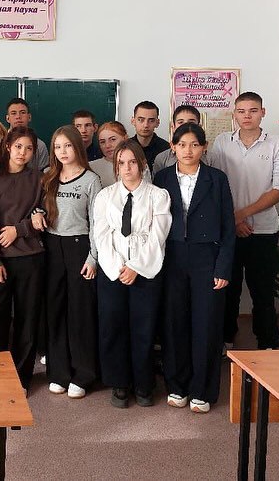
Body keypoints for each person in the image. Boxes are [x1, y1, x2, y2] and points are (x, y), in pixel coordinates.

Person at [154, 123, 235, 413]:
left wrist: (223, 268)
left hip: (207, 259)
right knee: (174, 323)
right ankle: (177, 386)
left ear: (204, 147)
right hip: (171, 257)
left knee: (207, 324)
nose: (188, 150)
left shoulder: (217, 178)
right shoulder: (162, 178)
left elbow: (228, 227)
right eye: (182, 144)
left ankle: (202, 390)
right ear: (172, 147)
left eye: (194, 144)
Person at [207, 92, 279, 351]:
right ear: (234, 114)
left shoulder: (277, 144)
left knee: (262, 292)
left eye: (253, 110)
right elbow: (214, 184)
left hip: (263, 230)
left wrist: (240, 215)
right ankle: (226, 340)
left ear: (263, 113)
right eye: (241, 111)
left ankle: (267, 344)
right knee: (227, 289)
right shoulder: (222, 142)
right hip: (228, 231)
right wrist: (232, 220)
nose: (247, 116)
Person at [93, 139, 171, 408]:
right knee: (113, 327)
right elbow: (102, 236)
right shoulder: (105, 197)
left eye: (132, 162)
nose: (127, 168)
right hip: (113, 271)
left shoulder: (158, 196)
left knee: (143, 328)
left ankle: (144, 384)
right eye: (121, 163)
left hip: (145, 270)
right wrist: (119, 268)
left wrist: (136, 267)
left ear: (142, 164)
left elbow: (158, 237)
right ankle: (119, 383)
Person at [0, 126, 45, 392]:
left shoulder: (38, 179)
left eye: (29, 149)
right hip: (0, 261)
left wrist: (20, 229)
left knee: (27, 320)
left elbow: (45, 216)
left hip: (31, 258)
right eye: (18, 147)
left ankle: (21, 378)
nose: (22, 153)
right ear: (7, 147)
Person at [38, 126, 101, 399]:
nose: (62, 152)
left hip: (79, 247)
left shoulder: (91, 179)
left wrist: (93, 257)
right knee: (55, 310)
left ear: (78, 147)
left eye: (67, 146)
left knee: (80, 312)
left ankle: (83, 374)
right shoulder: (47, 176)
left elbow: (97, 223)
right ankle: (59, 372)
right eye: (58, 147)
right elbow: (36, 208)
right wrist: (36, 213)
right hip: (52, 246)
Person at [151, 105, 206, 175]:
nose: (185, 126)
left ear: (199, 126)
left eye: (191, 122)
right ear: (173, 127)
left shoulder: (211, 158)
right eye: (180, 122)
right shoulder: (162, 158)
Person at [6, 98, 49, 171]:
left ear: (29, 117)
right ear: (7, 118)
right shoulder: (0, 143)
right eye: (13, 113)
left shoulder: (40, 146)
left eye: (22, 112)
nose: (18, 117)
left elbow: (44, 173)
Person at [130, 101, 171, 174]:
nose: (146, 125)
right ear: (133, 121)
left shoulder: (166, 149)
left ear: (157, 123)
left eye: (151, 120)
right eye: (141, 120)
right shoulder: (125, 148)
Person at [89, 121, 128, 186]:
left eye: (113, 139)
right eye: (102, 142)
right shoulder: (91, 168)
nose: (107, 145)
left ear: (125, 138)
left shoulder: (138, 164)